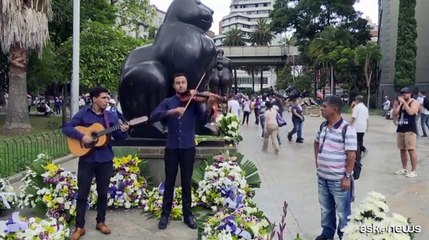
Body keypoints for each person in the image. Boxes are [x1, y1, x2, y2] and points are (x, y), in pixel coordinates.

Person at [62, 86, 129, 240]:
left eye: (107, 98)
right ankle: (79, 227)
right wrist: (82, 137)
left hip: (105, 159)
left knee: (103, 193)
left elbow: (119, 136)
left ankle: (101, 222)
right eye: (104, 98)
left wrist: (124, 130)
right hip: (86, 159)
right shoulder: (83, 114)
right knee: (82, 194)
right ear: (94, 99)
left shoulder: (111, 117)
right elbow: (67, 128)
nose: (107, 100)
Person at [150, 73, 213, 230]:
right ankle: (165, 214)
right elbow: (153, 116)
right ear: (173, 86)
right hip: (171, 148)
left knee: (186, 182)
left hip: (188, 147)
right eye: (177, 83)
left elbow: (204, 120)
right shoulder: (168, 102)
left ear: (186, 84)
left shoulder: (194, 102)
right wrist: (171, 112)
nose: (180, 85)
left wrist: (210, 105)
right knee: (169, 181)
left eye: (183, 82)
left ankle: (188, 215)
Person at [314, 96, 357, 240]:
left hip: (339, 180)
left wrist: (347, 177)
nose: (321, 108)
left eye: (324, 106)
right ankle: (327, 233)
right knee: (326, 209)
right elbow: (316, 142)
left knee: (343, 212)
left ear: (334, 109)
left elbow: (351, 155)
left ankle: (344, 235)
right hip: (323, 177)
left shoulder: (347, 129)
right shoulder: (323, 126)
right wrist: (318, 162)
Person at [391, 87, 419, 178]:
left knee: (411, 149)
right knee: (402, 149)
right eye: (402, 94)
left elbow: (411, 112)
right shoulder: (400, 103)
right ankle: (404, 168)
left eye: (406, 93)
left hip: (410, 130)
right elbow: (394, 114)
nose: (403, 95)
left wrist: (404, 103)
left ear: (410, 94)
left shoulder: (414, 102)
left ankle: (414, 170)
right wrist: (398, 105)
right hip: (401, 128)